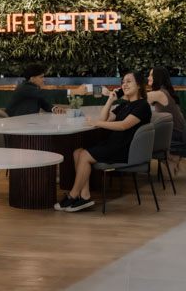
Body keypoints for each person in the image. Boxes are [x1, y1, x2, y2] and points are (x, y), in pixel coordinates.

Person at [55, 71, 151, 213]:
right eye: (123, 82)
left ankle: (73, 194)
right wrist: (110, 100)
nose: (124, 85)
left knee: (84, 155)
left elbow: (123, 125)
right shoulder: (124, 105)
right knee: (77, 152)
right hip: (113, 145)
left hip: (125, 149)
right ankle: (85, 196)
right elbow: (103, 119)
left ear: (139, 85)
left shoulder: (142, 106)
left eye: (129, 81)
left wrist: (96, 123)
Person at [5, 64, 85, 117]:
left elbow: (42, 102)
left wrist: (54, 109)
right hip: (15, 124)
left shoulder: (33, 88)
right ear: (32, 79)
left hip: (27, 122)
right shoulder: (25, 88)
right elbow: (47, 93)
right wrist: (74, 91)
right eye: (41, 77)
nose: (44, 80)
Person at [148, 66, 186, 173]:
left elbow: (137, 99)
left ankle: (170, 158)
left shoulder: (160, 93)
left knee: (144, 137)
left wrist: (112, 94)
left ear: (158, 77)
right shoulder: (165, 91)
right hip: (177, 131)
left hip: (175, 133)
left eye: (151, 75)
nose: (148, 78)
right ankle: (170, 158)